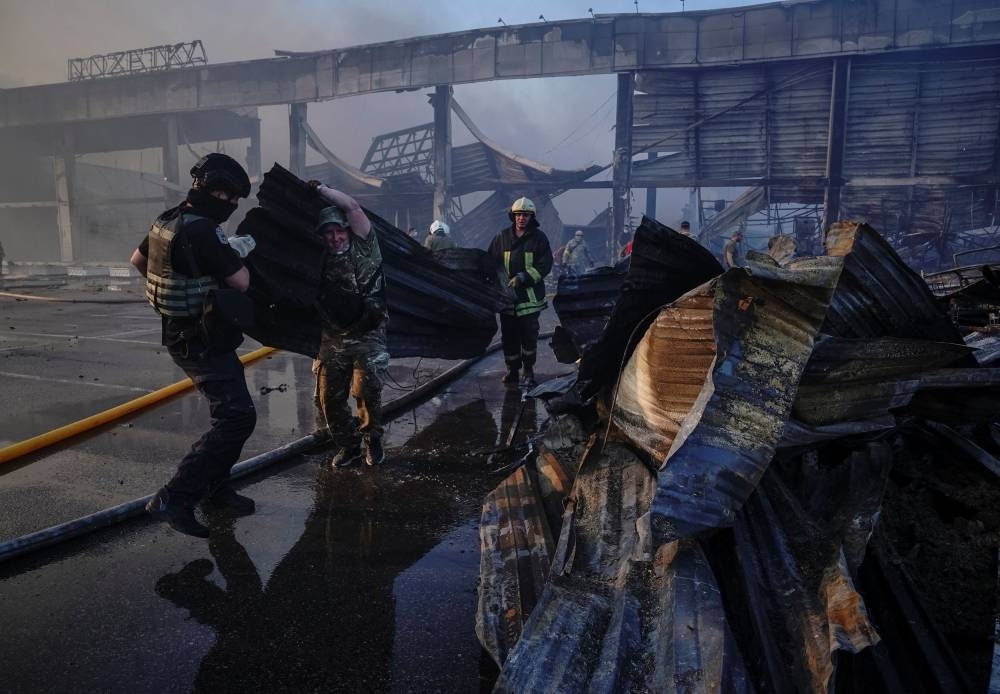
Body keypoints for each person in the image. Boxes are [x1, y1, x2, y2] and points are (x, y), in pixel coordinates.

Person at [129, 153, 257, 539]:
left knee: (233, 412)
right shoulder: (204, 232)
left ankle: (216, 490)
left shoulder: (167, 219)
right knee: (236, 418)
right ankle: (174, 498)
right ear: (208, 190)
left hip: (181, 332)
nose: (231, 204)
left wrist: (183, 278)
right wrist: (238, 251)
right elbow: (241, 283)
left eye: (236, 198)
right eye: (226, 195)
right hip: (202, 340)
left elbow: (136, 260)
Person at [312, 183, 389, 469]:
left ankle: (373, 440)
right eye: (329, 233)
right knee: (328, 398)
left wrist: (321, 189)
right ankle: (349, 446)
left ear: (347, 231)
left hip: (368, 334)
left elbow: (353, 207)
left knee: (366, 390)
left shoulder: (366, 248)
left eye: (339, 231)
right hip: (333, 336)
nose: (335, 238)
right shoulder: (318, 260)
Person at [487, 196, 553, 388]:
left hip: (529, 298)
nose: (521, 218)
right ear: (513, 216)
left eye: (525, 215)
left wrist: (524, 277)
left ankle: (528, 371)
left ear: (531, 217)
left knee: (529, 336)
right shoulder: (502, 237)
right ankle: (512, 371)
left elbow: (545, 264)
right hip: (507, 299)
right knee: (509, 336)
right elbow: (491, 262)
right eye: (518, 215)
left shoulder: (539, 239)